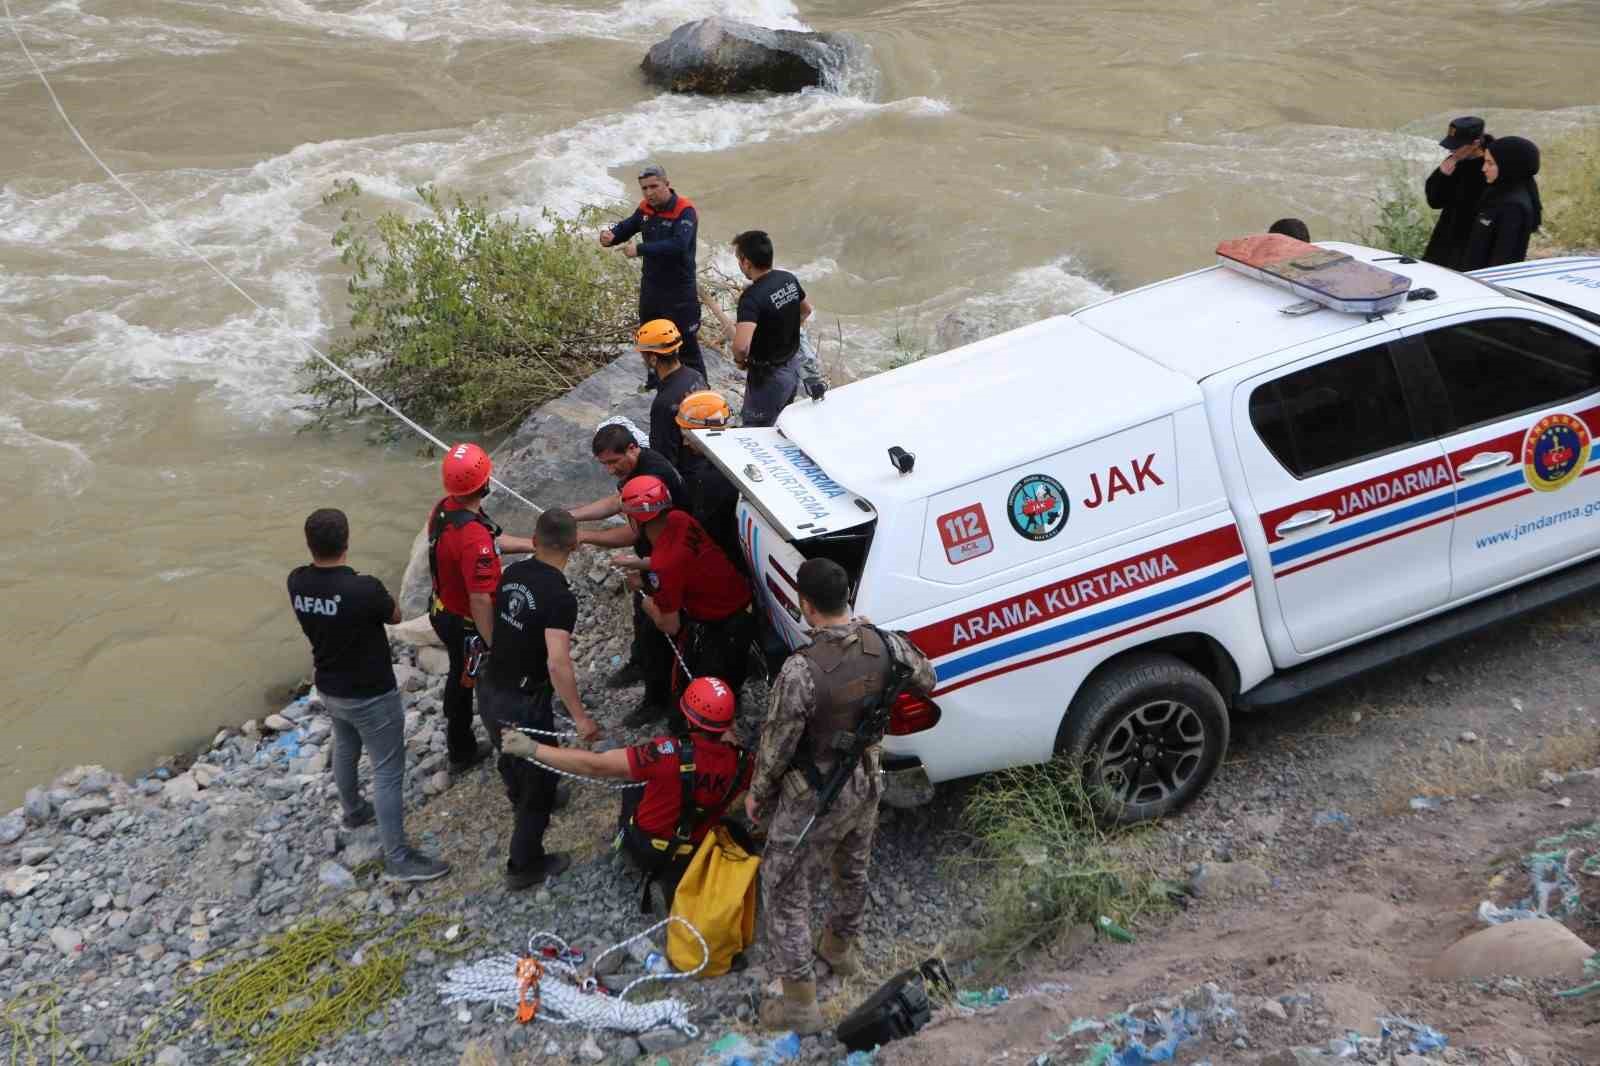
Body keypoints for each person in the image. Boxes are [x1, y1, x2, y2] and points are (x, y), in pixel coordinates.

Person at [744, 558, 936, 1032]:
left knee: (785, 887)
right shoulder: (885, 644)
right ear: (847, 596)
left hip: (816, 795)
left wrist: (757, 795)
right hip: (867, 781)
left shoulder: (800, 672)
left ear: (806, 606)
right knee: (852, 869)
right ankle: (839, 950)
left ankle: (799, 1005)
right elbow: (927, 678)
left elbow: (777, 744)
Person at [288, 509, 450, 883]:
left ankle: (353, 810)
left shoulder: (296, 581)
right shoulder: (363, 588)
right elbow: (395, 616)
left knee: (345, 744)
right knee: (388, 771)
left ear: (309, 543)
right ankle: (397, 857)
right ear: (347, 541)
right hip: (370, 693)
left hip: (329, 687)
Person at [502, 676, 752, 905]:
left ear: (687, 717)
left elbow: (595, 766)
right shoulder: (743, 763)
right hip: (695, 846)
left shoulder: (664, 754)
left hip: (647, 848)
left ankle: (630, 852)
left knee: (633, 783)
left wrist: (533, 749)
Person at [475, 508, 604, 890]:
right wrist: (580, 717)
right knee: (540, 781)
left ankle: (519, 793)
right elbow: (558, 661)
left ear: (532, 540)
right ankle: (524, 864)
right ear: (575, 545)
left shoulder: (513, 574)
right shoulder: (559, 596)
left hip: (492, 684)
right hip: (522, 700)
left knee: (509, 752)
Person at [426, 443, 539, 774]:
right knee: (473, 681)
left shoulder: (445, 509)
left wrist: (534, 545)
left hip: (441, 608)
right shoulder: (472, 537)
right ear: (484, 482)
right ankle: (465, 751)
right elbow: (479, 598)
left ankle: (460, 743)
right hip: (463, 622)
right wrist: (496, 647)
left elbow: (492, 541)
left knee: (459, 676)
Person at [569, 424, 688, 721]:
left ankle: (656, 699)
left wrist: (584, 536)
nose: (610, 470)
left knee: (656, 632)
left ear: (633, 448)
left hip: (668, 562)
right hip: (656, 556)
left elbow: (633, 533)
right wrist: (573, 515)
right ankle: (640, 662)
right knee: (641, 618)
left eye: (613, 461)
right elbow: (617, 503)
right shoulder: (637, 467)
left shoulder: (653, 476)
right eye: (604, 464)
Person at [616, 475, 753, 727]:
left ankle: (690, 739)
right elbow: (684, 560)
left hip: (719, 624)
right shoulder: (681, 519)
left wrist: (644, 595)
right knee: (726, 675)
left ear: (635, 519)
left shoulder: (665, 565)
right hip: (738, 604)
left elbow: (670, 625)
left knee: (689, 708)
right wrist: (641, 563)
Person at [600, 164, 706, 384]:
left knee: (686, 343)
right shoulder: (646, 208)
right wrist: (611, 235)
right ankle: (656, 381)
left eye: (654, 187)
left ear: (667, 184)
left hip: (679, 289)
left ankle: (701, 388)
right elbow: (628, 226)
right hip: (652, 287)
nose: (649, 193)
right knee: (649, 337)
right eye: (644, 188)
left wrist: (639, 249)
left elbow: (679, 245)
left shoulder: (685, 210)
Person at [705, 230, 816, 426]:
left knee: (754, 430)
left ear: (746, 262)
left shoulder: (752, 298)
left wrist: (740, 361)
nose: (740, 264)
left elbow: (741, 346)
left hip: (768, 379)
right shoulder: (788, 278)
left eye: (739, 259)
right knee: (781, 425)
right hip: (792, 367)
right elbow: (806, 310)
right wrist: (785, 330)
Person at [674, 389, 744, 567]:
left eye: (688, 436)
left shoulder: (711, 478)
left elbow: (704, 530)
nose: (685, 443)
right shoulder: (742, 444)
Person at [637, 319, 708, 480]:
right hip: (705, 462)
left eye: (643, 355)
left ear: (653, 358)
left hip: (688, 477)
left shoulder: (664, 403)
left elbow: (663, 461)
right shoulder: (696, 376)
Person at [1462, 135, 1543, 271]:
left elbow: (1502, 262)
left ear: (1509, 165)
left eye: (1490, 163)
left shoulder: (1513, 206)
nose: (1483, 168)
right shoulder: (1497, 192)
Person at [1422, 117, 1491, 270]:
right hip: (1447, 234)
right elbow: (1434, 202)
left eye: (1457, 146)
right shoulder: (1455, 161)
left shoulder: (1491, 166)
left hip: (1473, 240)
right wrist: (1442, 175)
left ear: (1475, 143)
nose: (1451, 150)